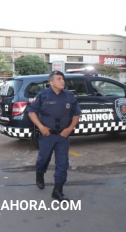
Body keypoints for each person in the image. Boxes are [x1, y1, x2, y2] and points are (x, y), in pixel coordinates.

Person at [27, 70, 81, 201]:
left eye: (63, 78)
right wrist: (41, 127)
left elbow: (76, 114)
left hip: (63, 136)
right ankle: (40, 174)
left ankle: (57, 190)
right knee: (43, 159)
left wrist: (70, 129)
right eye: (58, 79)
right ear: (51, 82)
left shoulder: (69, 96)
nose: (62, 81)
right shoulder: (43, 95)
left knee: (63, 163)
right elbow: (31, 112)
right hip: (47, 135)